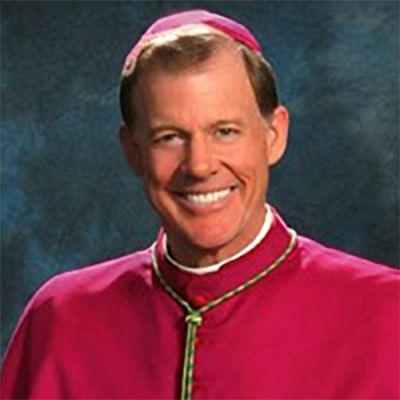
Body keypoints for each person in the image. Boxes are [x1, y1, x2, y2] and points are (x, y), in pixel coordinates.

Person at [1, 9, 399, 400]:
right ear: (133, 152)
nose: (199, 165)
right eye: (169, 137)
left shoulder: (386, 315)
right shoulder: (60, 320)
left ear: (273, 135)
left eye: (225, 131)